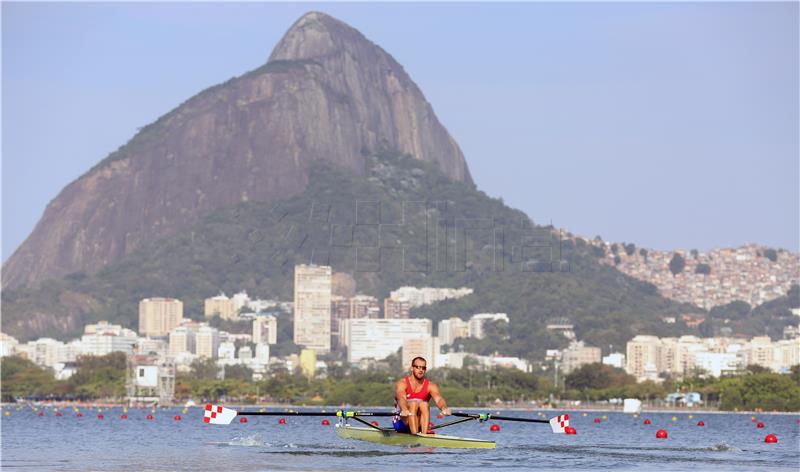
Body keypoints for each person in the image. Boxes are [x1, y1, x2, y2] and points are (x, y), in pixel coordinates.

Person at [393, 356, 451, 435]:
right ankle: (415, 435)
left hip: (420, 423)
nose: (421, 370)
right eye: (418, 367)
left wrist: (444, 408)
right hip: (402, 423)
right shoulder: (402, 383)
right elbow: (401, 398)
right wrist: (404, 409)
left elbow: (438, 399)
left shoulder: (431, 386)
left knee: (424, 404)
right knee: (413, 403)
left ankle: (423, 435)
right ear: (412, 368)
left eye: (423, 368)